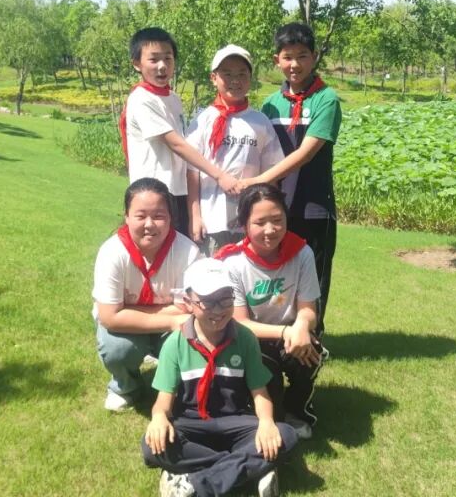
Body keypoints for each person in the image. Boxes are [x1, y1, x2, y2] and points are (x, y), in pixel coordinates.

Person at [142, 257, 296, 497]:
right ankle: (250, 467)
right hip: (191, 424)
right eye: (208, 301)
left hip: (236, 421)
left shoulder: (245, 339)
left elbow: (260, 392)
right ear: (189, 302)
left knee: (286, 435)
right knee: (152, 445)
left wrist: (266, 422)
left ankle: (196, 484)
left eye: (225, 299)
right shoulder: (175, 343)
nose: (218, 310)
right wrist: (159, 417)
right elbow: (164, 400)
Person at [246, 22, 342, 336]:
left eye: (302, 56)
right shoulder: (270, 104)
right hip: (277, 210)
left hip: (314, 207)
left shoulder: (326, 99)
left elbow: (305, 154)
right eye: (287, 57)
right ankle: (279, 337)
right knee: (280, 275)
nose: (295, 64)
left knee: (314, 276)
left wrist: (259, 180)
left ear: (314, 57)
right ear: (277, 60)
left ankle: (312, 339)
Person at [216, 184, 327, 441]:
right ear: (244, 224)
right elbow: (240, 322)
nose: (270, 230)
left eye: (277, 220)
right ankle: (270, 405)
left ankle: (298, 409)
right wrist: (287, 331)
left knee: (310, 353)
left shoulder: (302, 253)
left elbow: (309, 310)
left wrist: (302, 326)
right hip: (251, 339)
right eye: (260, 222)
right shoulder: (233, 262)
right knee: (271, 400)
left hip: (290, 333)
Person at [92, 177, 202, 412]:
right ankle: (125, 387)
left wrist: (127, 311)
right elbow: (110, 317)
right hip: (139, 327)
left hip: (157, 325)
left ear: (171, 217)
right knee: (117, 349)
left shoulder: (188, 253)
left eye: (159, 216)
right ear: (126, 216)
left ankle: (175, 386)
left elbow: (188, 308)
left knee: (196, 337)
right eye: (141, 216)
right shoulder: (112, 253)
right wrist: (171, 319)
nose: (150, 224)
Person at [122, 27, 241, 237]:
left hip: (177, 191)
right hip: (152, 194)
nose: (162, 66)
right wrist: (219, 175)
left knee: (178, 251)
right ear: (136, 64)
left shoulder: (173, 98)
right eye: (153, 59)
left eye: (168, 58)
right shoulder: (141, 99)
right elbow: (177, 144)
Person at [186, 44, 285, 256]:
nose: (235, 80)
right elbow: (191, 171)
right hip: (212, 219)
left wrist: (270, 215)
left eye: (242, 74)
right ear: (214, 78)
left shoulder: (260, 122)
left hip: (251, 220)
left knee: (249, 271)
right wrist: (195, 216)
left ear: (251, 78)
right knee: (213, 272)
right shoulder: (202, 120)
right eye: (227, 74)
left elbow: (272, 173)